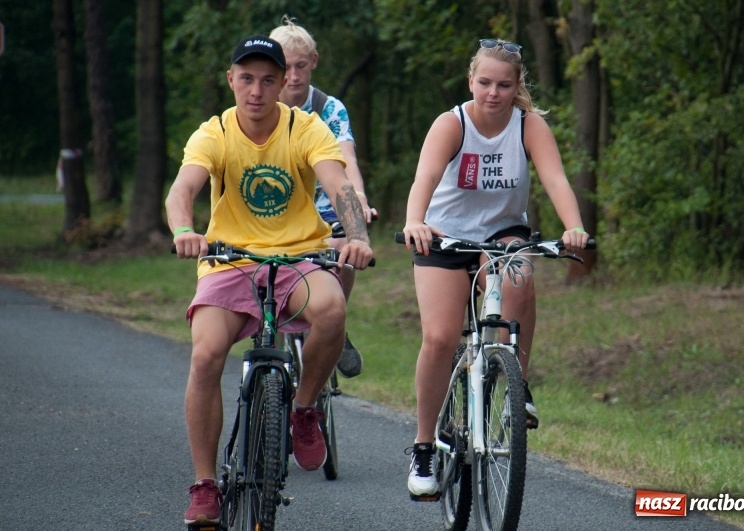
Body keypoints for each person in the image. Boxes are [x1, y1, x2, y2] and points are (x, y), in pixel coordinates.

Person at [165, 35, 373, 526]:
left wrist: (357, 235)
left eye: (267, 80)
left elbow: (339, 185)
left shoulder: (306, 128)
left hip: (298, 256)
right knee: (205, 354)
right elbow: (182, 190)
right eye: (246, 78)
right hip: (230, 261)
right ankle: (205, 485)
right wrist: (184, 230)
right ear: (231, 80)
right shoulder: (213, 133)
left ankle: (303, 409)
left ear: (284, 83)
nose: (256, 90)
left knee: (333, 309)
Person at [399, 38, 591, 498]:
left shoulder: (529, 125)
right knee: (441, 338)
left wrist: (574, 227)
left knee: (520, 272)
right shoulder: (452, 123)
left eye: (504, 84)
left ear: (516, 86)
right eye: (484, 82)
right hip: (445, 234)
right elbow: (424, 176)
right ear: (471, 81)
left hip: (502, 231)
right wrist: (413, 222)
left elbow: (555, 178)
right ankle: (424, 445)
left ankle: (516, 388)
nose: (493, 93)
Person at [269, 16, 378, 379]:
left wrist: (358, 198)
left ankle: (336, 326)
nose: (295, 76)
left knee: (346, 242)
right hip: (278, 209)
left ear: (314, 61)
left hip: (325, 204)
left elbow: (347, 158)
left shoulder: (330, 108)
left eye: (302, 66)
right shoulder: (261, 106)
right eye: (286, 68)